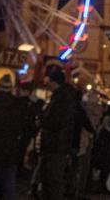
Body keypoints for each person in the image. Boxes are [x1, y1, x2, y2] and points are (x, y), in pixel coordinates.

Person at [39, 66, 76, 200]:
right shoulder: (61, 97)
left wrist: (43, 119)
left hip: (56, 145)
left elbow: (56, 121)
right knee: (50, 180)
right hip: (54, 144)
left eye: (49, 80)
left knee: (53, 180)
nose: (47, 83)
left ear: (54, 82)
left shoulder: (62, 99)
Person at [91, 115, 110, 192]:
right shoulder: (107, 132)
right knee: (104, 171)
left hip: (105, 154)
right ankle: (103, 187)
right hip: (105, 155)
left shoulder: (104, 131)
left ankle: (103, 187)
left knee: (105, 171)